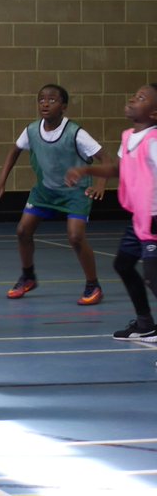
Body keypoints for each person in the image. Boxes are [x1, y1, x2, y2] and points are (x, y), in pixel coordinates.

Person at [0, 84, 105, 304]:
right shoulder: (31, 130)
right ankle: (28, 277)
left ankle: (93, 285)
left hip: (76, 193)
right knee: (22, 230)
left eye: (52, 100)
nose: (45, 104)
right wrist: (1, 181)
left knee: (76, 237)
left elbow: (106, 159)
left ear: (64, 106)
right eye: (41, 100)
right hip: (45, 191)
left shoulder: (76, 133)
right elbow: (14, 151)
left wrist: (100, 184)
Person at [65, 83, 157, 342]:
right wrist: (86, 171)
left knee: (153, 277)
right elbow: (118, 170)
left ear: (154, 114)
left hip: (154, 218)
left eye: (140, 98)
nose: (132, 98)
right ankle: (145, 324)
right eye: (134, 93)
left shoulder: (154, 141)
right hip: (139, 218)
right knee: (124, 264)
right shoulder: (129, 136)